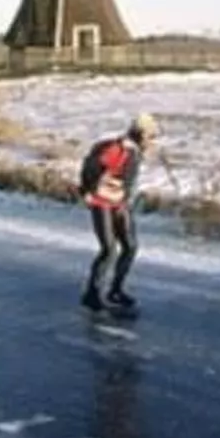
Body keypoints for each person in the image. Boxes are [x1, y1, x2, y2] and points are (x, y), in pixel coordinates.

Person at [78, 114, 159, 314]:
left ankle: (115, 290)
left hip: (120, 204)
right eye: (151, 136)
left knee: (130, 247)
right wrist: (87, 192)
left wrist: (125, 202)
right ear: (140, 134)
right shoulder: (118, 149)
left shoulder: (135, 151)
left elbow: (128, 181)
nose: (152, 141)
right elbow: (91, 169)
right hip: (102, 202)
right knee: (109, 249)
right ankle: (92, 294)